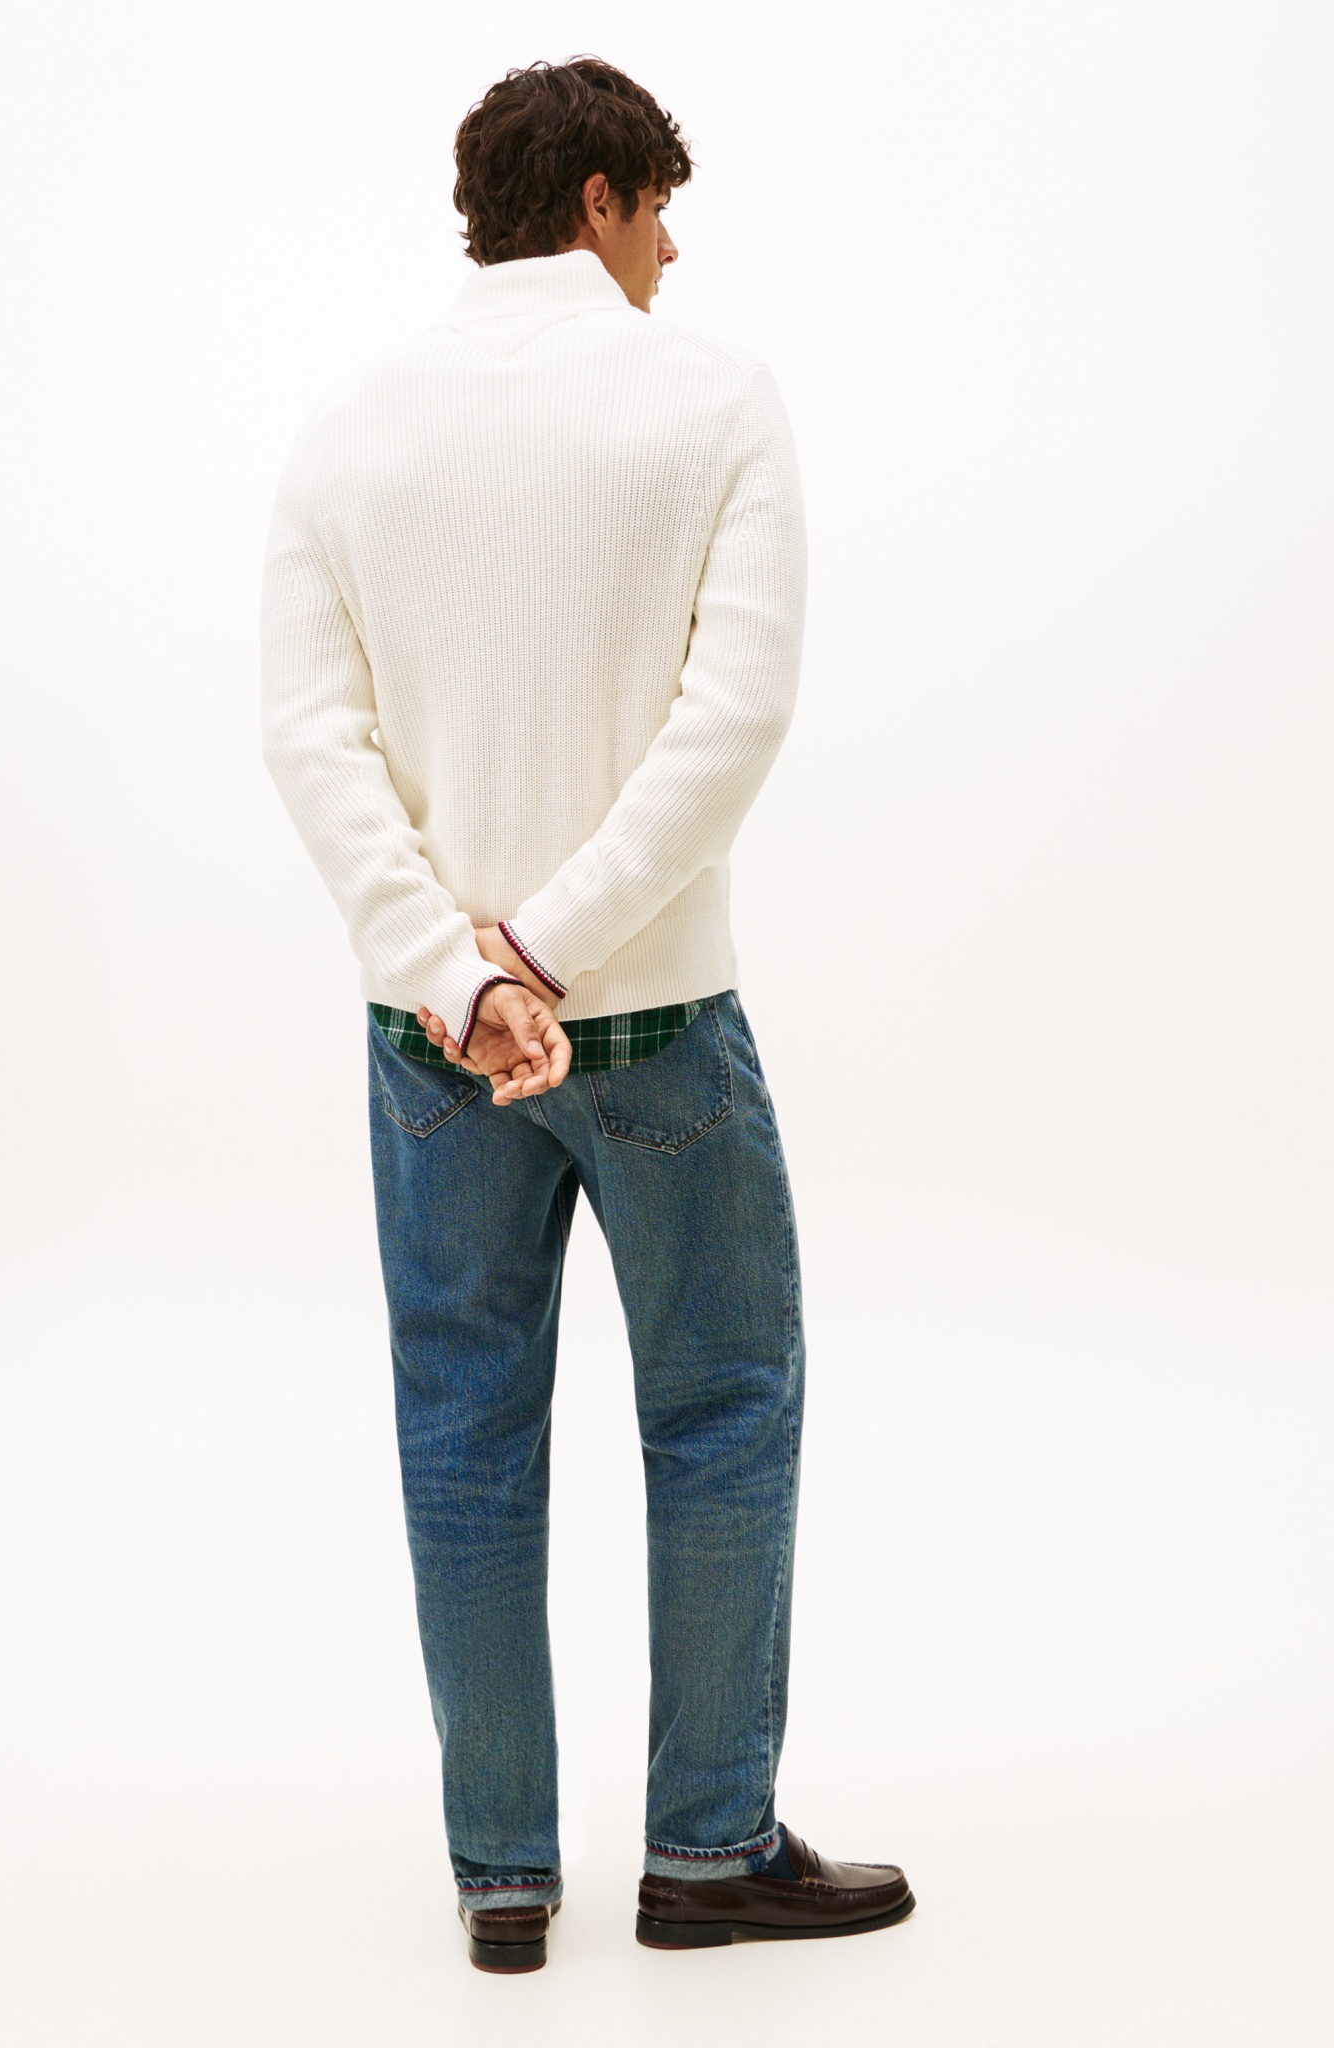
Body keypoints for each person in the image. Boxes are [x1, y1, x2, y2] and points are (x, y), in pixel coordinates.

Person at [261, 54, 913, 1973]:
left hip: (434, 1045)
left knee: (464, 1433)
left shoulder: (348, 433)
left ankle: (503, 1880)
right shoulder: (711, 399)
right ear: (601, 200)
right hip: (655, 1026)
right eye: (661, 212)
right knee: (720, 1410)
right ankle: (707, 1854)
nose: (671, 252)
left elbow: (310, 741)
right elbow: (736, 716)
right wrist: (552, 949)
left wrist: (463, 970)